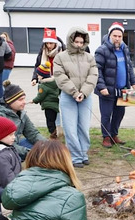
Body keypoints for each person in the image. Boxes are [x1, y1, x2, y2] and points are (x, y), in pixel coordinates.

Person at [54, 27, 98, 168]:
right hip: (68, 97)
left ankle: (83, 153)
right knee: (70, 128)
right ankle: (75, 157)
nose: (79, 44)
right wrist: (74, 92)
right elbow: (60, 77)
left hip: (85, 96)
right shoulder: (60, 57)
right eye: (76, 42)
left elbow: (93, 76)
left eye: (81, 42)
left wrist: (83, 92)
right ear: (71, 41)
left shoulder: (90, 58)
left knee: (84, 127)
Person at [95, 22, 135, 148]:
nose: (117, 38)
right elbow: (96, 70)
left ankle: (114, 135)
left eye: (120, 36)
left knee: (119, 113)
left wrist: (134, 82)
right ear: (109, 35)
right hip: (107, 89)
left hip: (122, 89)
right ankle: (106, 137)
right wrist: (101, 86)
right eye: (115, 36)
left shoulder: (124, 49)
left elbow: (129, 67)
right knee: (106, 114)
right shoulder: (102, 50)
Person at [0, 80, 46, 160]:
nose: (24, 102)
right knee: (37, 154)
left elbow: (33, 134)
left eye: (24, 99)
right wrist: (30, 153)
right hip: (3, 150)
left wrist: (48, 145)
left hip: (15, 144)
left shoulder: (20, 112)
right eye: (20, 100)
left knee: (41, 146)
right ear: (10, 101)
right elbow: (4, 144)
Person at [30, 61, 60, 139]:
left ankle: (53, 135)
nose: (37, 76)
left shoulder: (43, 86)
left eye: (38, 74)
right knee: (53, 120)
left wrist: (33, 101)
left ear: (42, 76)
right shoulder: (54, 82)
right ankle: (55, 133)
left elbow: (40, 96)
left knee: (50, 121)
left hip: (48, 106)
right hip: (55, 105)